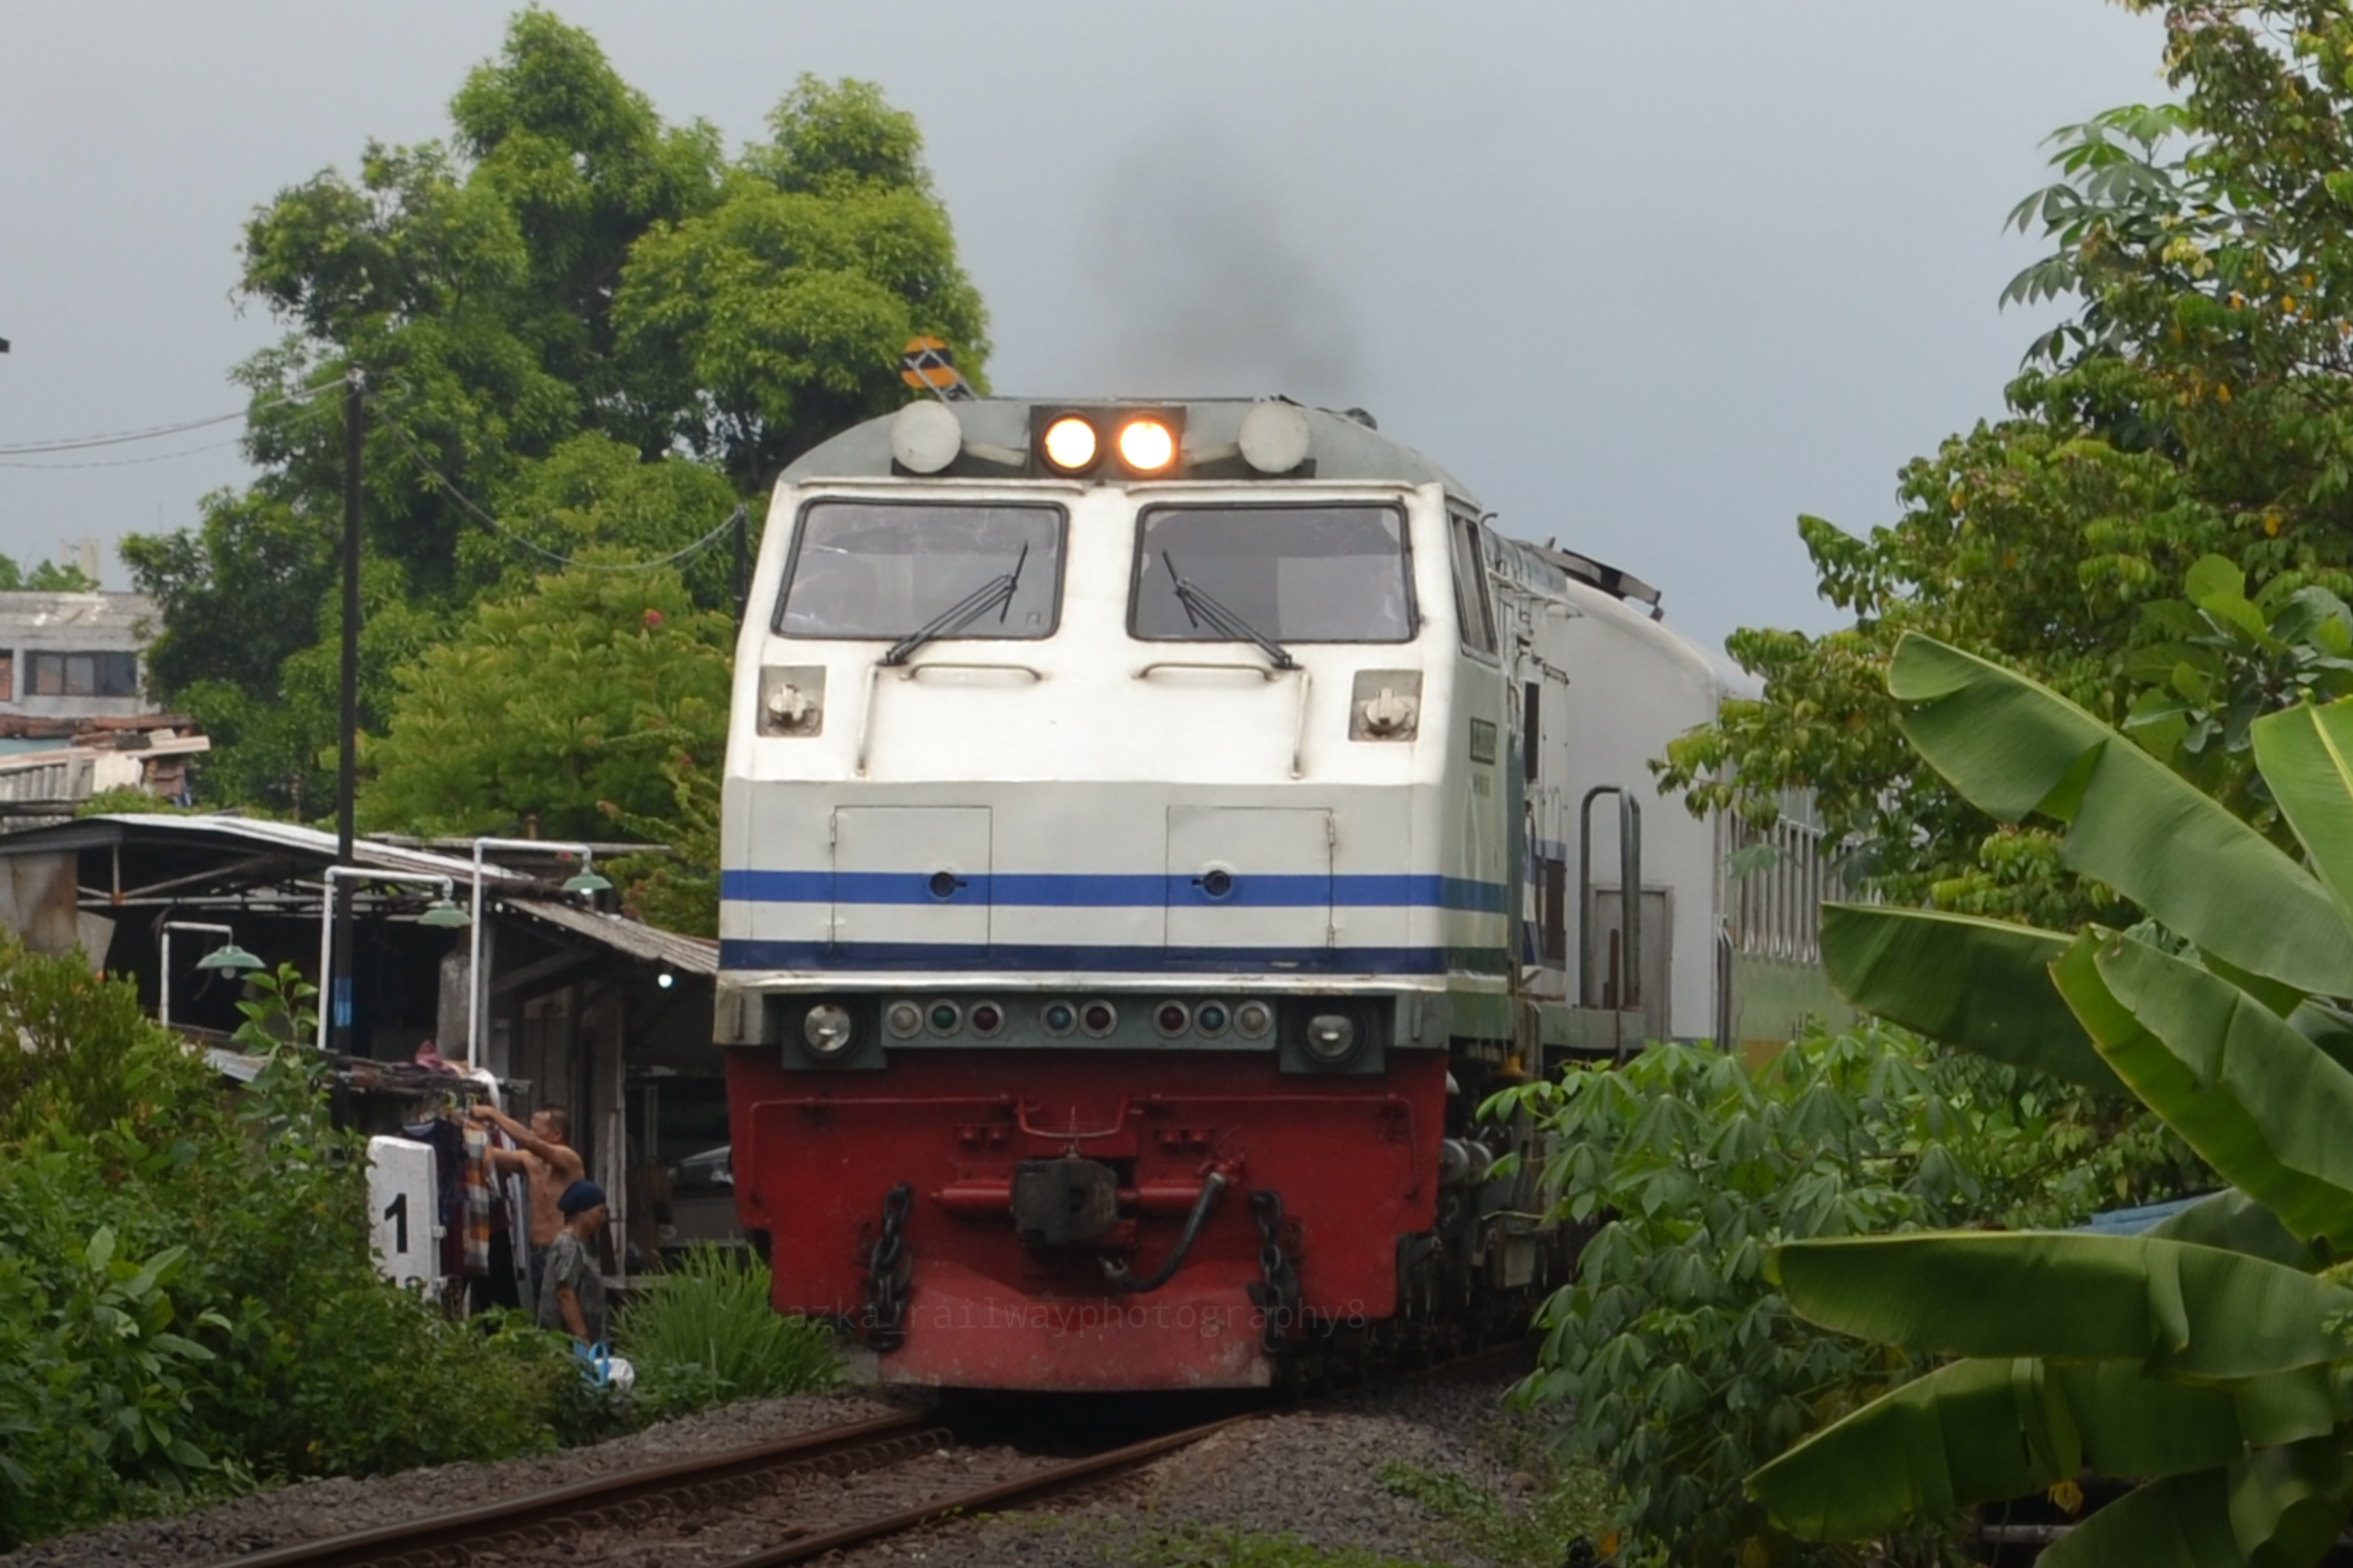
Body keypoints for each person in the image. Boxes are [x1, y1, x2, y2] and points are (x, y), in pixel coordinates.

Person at [470, 1102, 585, 1308]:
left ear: (557, 1134)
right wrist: (462, 1130)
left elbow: (530, 1142)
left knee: (563, 1308)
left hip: (561, 1249)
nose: (530, 1132)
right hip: (538, 1252)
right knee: (543, 1312)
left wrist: (493, 1114)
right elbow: (488, 1153)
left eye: (535, 1128)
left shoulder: (569, 1159)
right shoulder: (530, 1160)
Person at [539, 1179, 610, 1346]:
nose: (603, 1219)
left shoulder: (580, 1245)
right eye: (600, 1212)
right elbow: (565, 1295)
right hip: (568, 1346)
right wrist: (583, 1338)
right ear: (582, 1213)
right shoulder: (568, 1245)